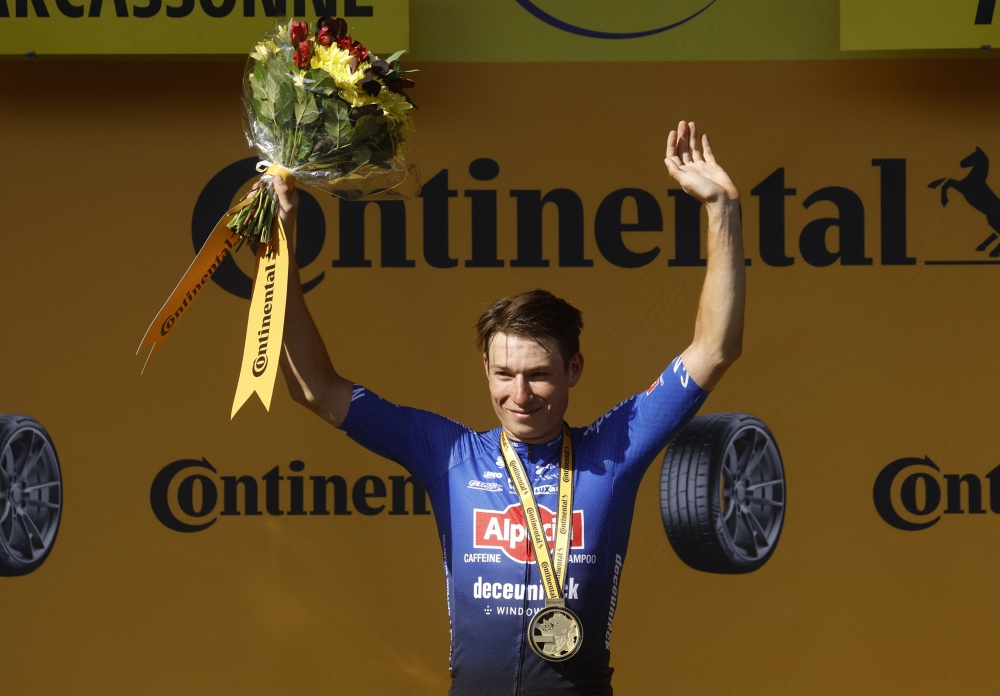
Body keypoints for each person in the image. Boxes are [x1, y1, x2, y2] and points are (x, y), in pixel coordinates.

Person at [275, 121, 745, 695]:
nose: (519, 396)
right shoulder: (448, 453)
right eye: (504, 375)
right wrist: (282, 255)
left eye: (539, 375)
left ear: (574, 370)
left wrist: (721, 209)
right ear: (485, 368)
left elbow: (714, 348)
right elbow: (315, 389)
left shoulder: (613, 450)